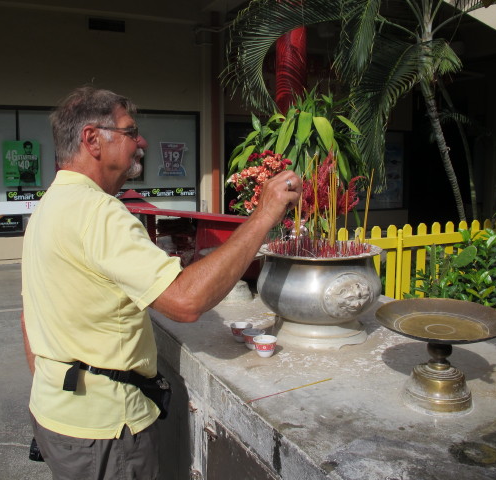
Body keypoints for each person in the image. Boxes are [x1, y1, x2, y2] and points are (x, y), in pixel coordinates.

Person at [21, 86, 301, 480]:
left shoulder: (49, 205)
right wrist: (264, 213)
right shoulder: (98, 212)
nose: (141, 142)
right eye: (130, 131)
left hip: (56, 413)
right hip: (106, 430)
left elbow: (28, 316)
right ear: (92, 140)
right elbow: (186, 302)